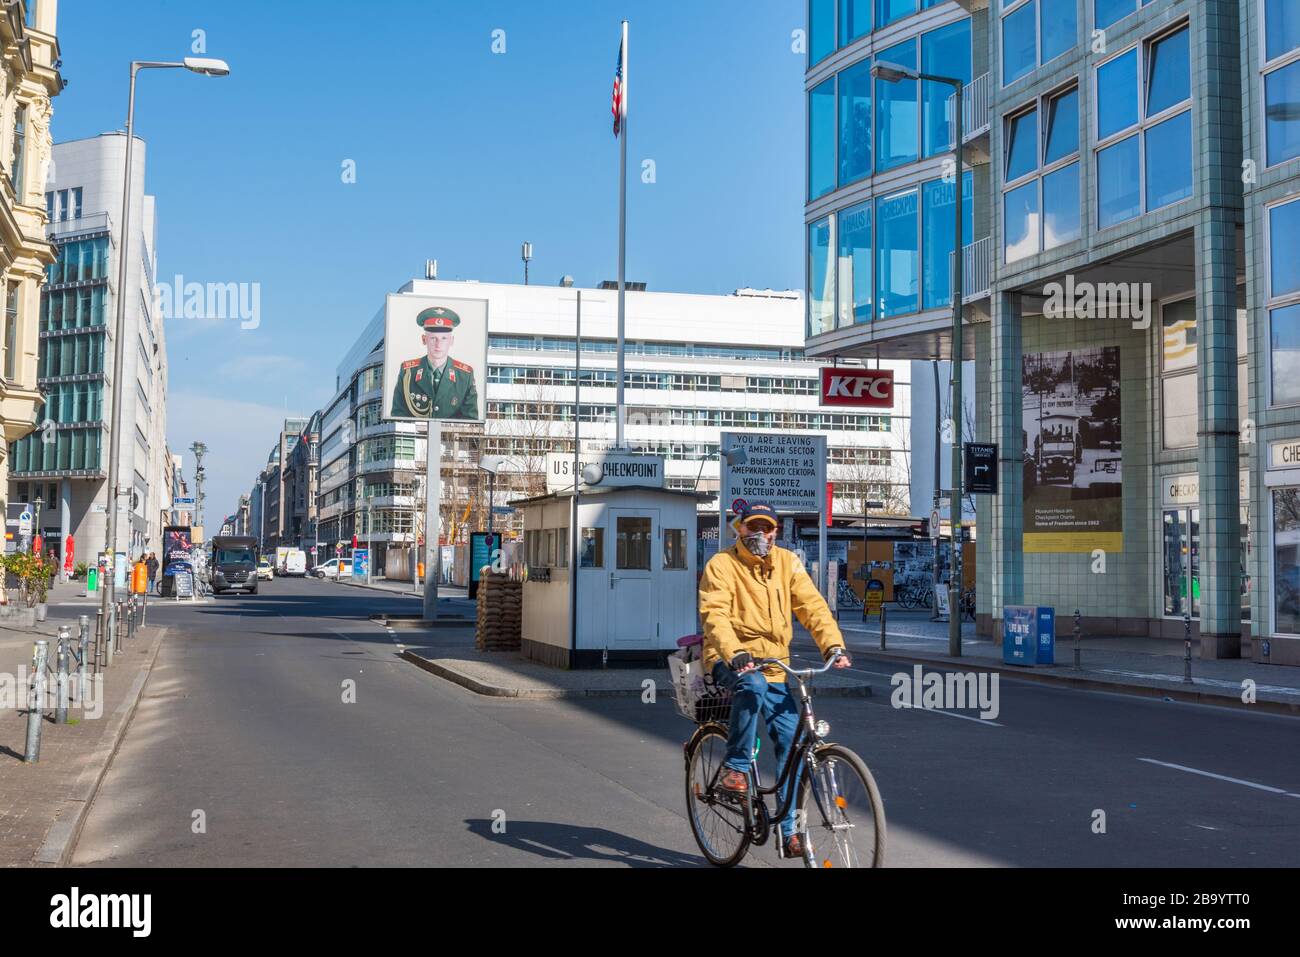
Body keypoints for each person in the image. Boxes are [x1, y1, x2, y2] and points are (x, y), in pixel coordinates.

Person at [697, 501, 851, 860]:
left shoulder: (787, 563)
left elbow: (812, 607)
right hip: (728, 657)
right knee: (751, 686)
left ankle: (790, 831)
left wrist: (833, 646)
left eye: (766, 529)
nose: (759, 535)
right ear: (740, 529)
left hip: (775, 665)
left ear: (775, 532)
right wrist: (734, 651)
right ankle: (735, 770)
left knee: (791, 742)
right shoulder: (722, 565)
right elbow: (714, 613)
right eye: (753, 528)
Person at [389, 306, 478, 419]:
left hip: (451, 437)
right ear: (424, 339)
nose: (438, 344)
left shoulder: (465, 375)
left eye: (444, 338)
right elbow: (398, 415)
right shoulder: (408, 372)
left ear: (451, 341)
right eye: (433, 338)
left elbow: (471, 420)